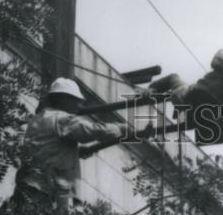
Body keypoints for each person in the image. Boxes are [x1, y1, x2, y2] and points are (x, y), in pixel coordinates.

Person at [14, 77, 155, 208]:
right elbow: (94, 131)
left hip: (28, 185)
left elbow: (50, 149)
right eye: (75, 100)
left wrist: (78, 152)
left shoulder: (37, 120)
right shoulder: (62, 119)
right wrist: (122, 128)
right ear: (64, 99)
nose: (78, 105)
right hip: (46, 189)